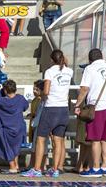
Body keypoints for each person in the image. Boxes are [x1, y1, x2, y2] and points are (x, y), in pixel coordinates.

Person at [23, 49, 73, 178]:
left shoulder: (50, 71)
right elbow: (65, 64)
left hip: (51, 108)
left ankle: (37, 169)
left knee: (40, 139)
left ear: (51, 60)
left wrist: (43, 97)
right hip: (64, 109)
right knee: (58, 140)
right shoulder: (69, 71)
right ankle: (55, 169)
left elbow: (46, 91)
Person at [75, 48, 106, 177]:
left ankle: (96, 168)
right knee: (105, 139)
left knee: (95, 139)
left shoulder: (90, 69)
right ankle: (105, 167)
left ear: (90, 59)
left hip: (98, 107)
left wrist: (77, 105)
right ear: (101, 56)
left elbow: (84, 89)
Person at [0, 80, 28, 174]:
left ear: (5, 90)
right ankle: (16, 165)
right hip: (18, 127)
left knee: (7, 147)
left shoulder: (0, 100)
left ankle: (12, 167)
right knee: (15, 147)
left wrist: (1, 91)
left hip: (6, 128)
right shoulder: (21, 98)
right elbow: (25, 107)